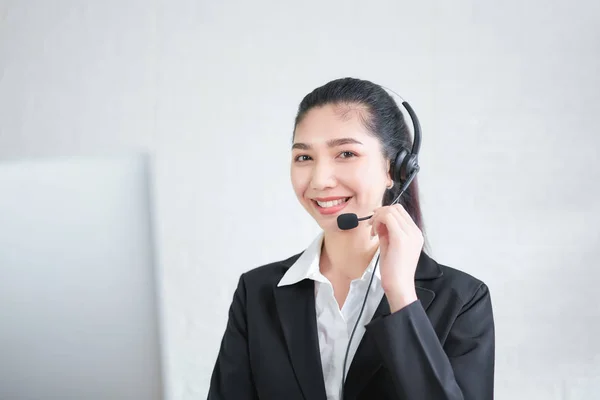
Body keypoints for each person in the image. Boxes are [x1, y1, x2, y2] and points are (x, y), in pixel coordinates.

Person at [207, 77, 495, 400]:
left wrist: (401, 297)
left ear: (395, 170)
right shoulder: (256, 293)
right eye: (304, 157)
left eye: (345, 153)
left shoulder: (462, 301)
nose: (320, 179)